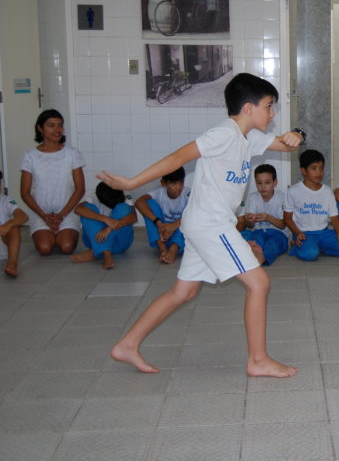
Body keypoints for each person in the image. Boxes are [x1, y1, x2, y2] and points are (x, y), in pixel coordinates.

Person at [99, 72, 303, 377]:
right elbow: (178, 157)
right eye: (268, 106)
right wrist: (132, 183)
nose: (272, 114)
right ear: (249, 108)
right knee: (259, 283)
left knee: (183, 292)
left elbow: (287, 146)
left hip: (203, 223)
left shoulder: (249, 137)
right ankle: (258, 360)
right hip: (210, 224)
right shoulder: (225, 133)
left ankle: (127, 345)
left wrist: (296, 135)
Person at [20, 109, 85, 255]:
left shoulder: (72, 153)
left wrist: (62, 215)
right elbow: (25, 192)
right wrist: (44, 216)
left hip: (67, 211)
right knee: (45, 248)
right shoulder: (30, 156)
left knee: (67, 246)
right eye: (51, 125)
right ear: (40, 128)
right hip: (40, 212)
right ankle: (47, 231)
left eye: (60, 125)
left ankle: (64, 231)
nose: (57, 130)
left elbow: (80, 189)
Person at [284, 149, 339, 261]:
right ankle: (297, 245)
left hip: (324, 233)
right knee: (311, 254)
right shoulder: (293, 191)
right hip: (303, 233)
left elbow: (335, 218)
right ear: (303, 171)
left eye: (321, 168)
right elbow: (287, 219)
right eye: (314, 168)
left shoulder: (327, 191)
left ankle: (320, 246)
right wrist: (297, 233)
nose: (319, 172)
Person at [71, 182, 137, 270]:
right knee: (87, 209)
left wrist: (109, 228)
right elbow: (78, 209)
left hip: (119, 242)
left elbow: (134, 218)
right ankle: (106, 254)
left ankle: (98, 253)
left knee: (123, 208)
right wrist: (106, 219)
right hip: (96, 239)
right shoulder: (93, 197)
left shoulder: (126, 196)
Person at [236, 163, 289, 266]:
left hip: (278, 233)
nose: (263, 186)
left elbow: (283, 225)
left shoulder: (282, 198)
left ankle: (261, 258)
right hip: (258, 231)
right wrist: (249, 220)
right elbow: (250, 225)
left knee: (272, 245)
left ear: (275, 182)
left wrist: (268, 218)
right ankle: (254, 253)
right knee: (256, 240)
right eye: (259, 183)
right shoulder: (252, 197)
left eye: (267, 183)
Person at [134, 167, 190, 264]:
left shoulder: (188, 193)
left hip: (180, 235)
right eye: (174, 183)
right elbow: (139, 202)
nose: (179, 187)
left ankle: (174, 249)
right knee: (149, 204)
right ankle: (162, 247)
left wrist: (174, 225)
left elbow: (200, 213)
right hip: (162, 233)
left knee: (192, 212)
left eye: (181, 182)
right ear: (163, 183)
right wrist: (158, 223)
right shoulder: (159, 192)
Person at [0, 170, 29, 277]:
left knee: (14, 228)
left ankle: (12, 264)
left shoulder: (5, 200)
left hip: (2, 243)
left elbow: (23, 216)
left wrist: (8, 225)